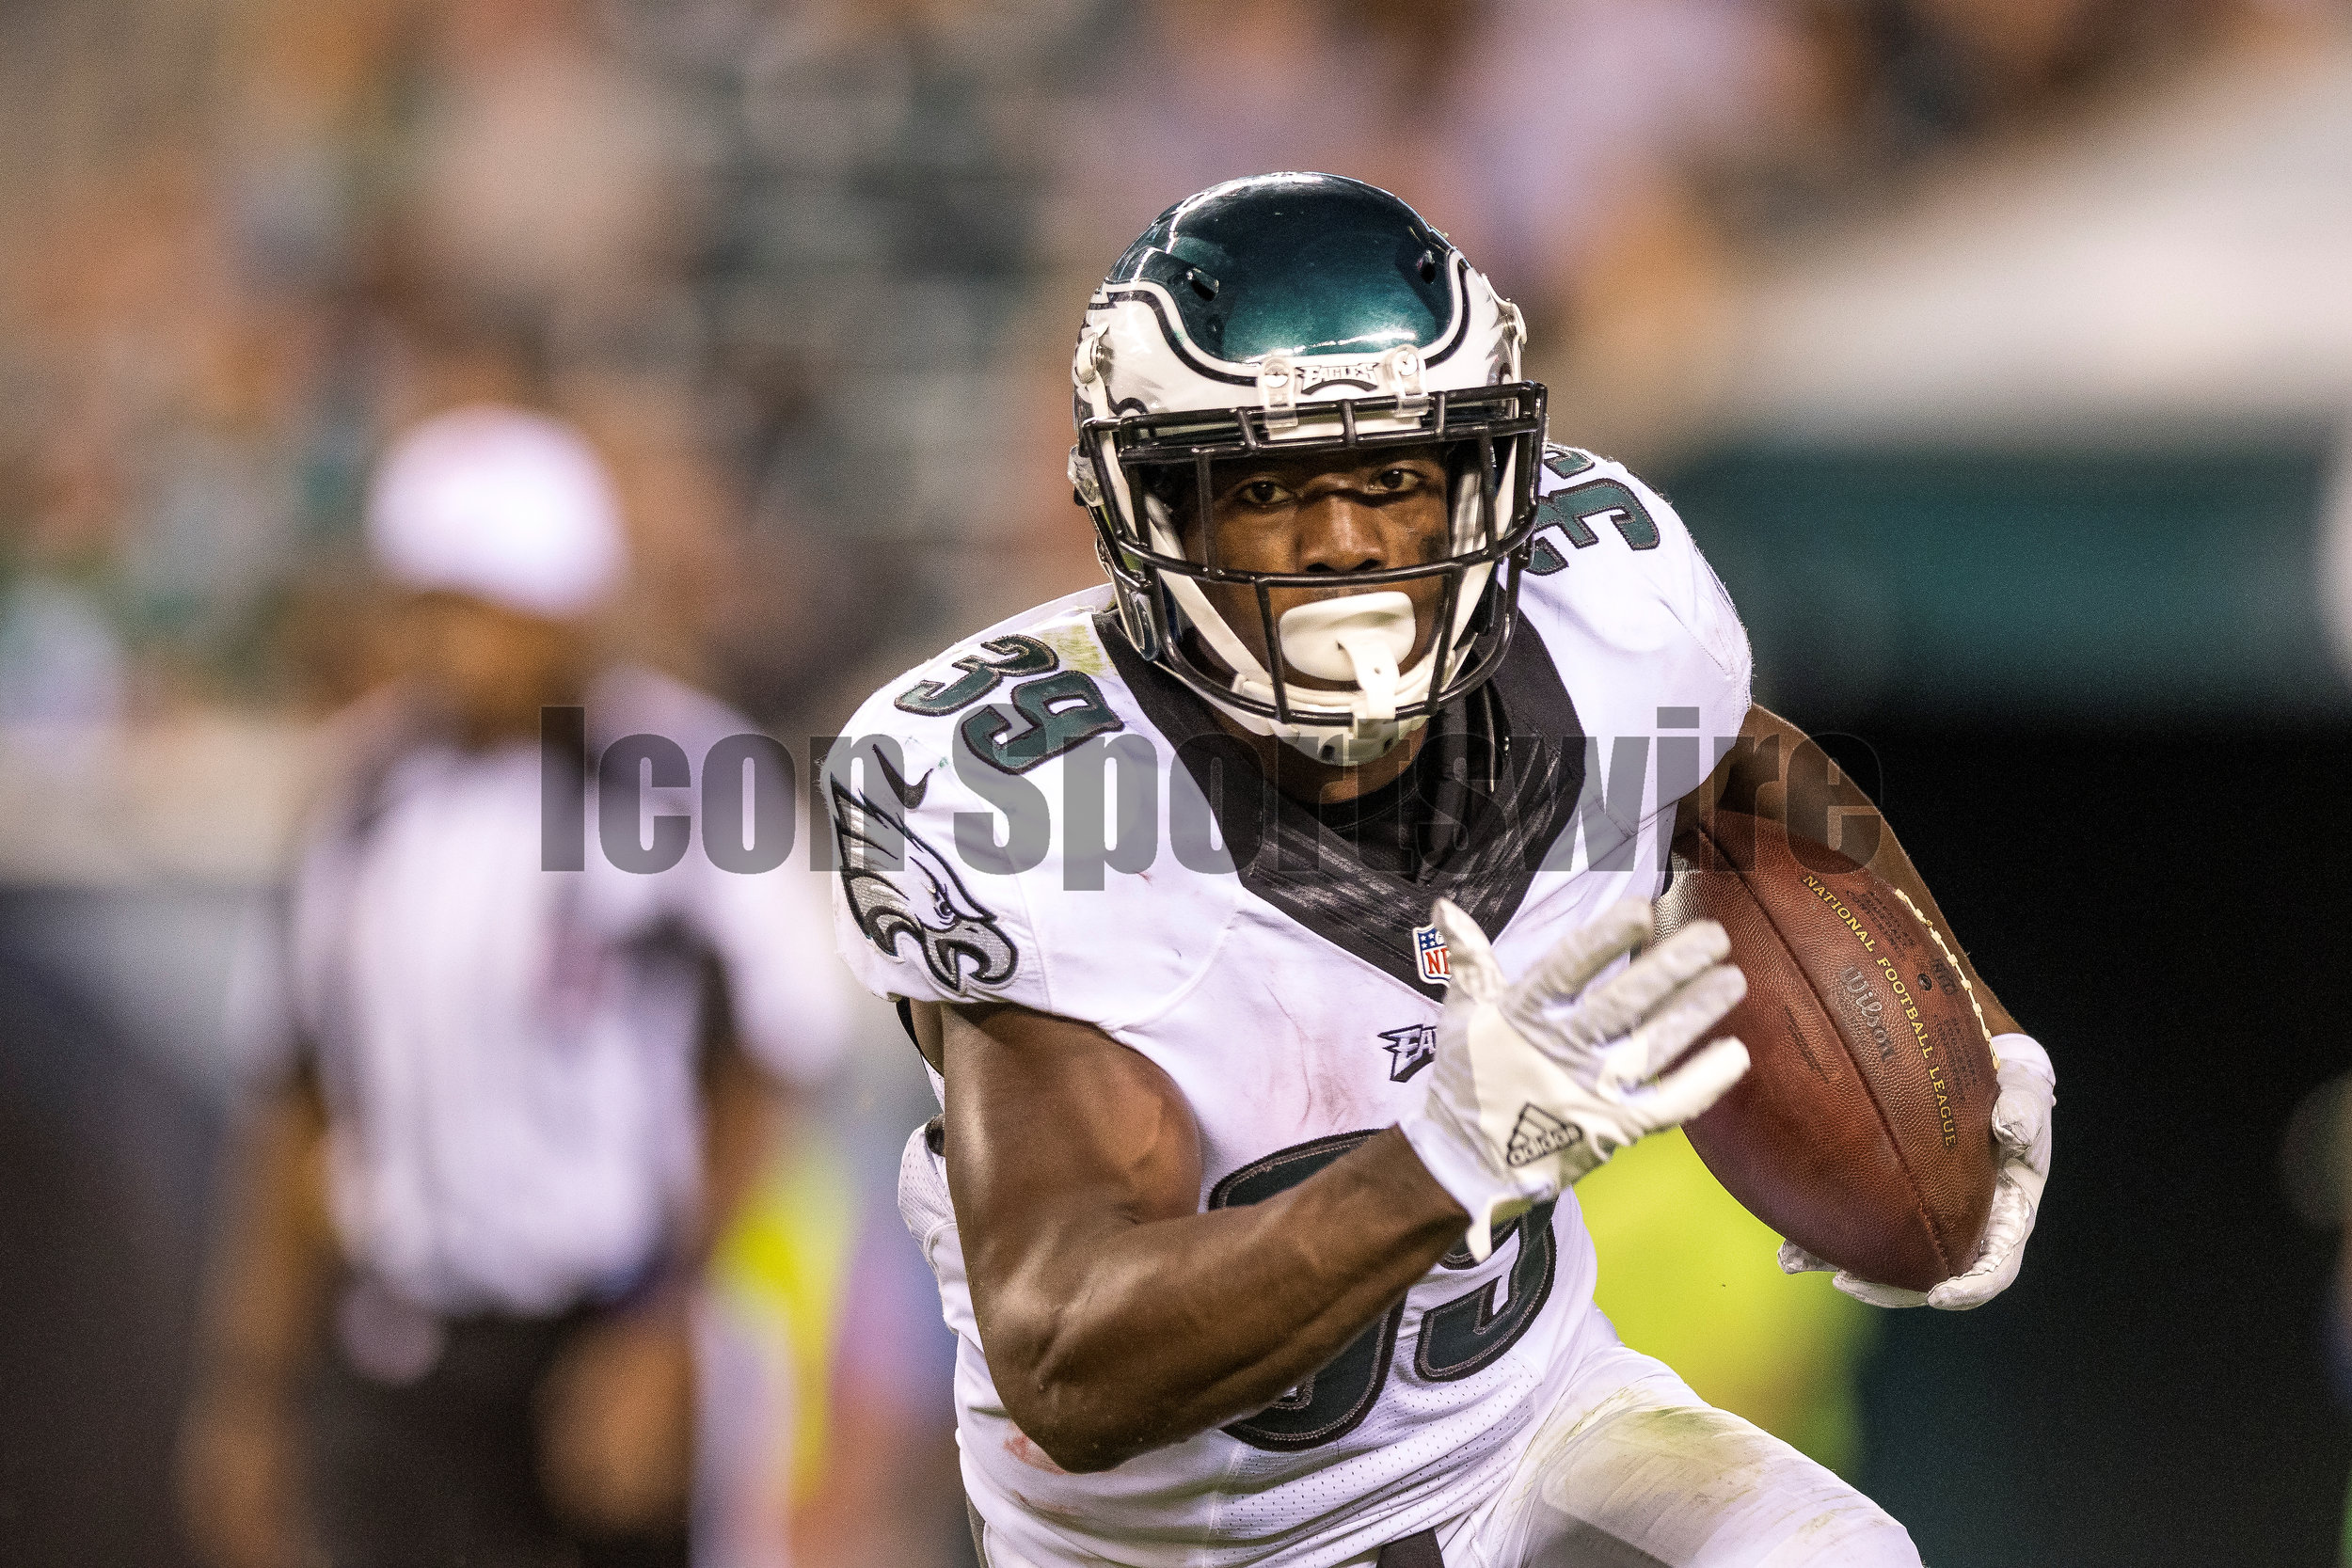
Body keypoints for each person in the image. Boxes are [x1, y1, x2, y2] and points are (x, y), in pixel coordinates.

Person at [823, 174, 2058, 1567]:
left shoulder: (1608, 615)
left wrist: (1975, 1017)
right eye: (1271, 484)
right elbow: (1068, 1350)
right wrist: (1443, 1163)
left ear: (1488, 478)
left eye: (1395, 477)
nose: (1343, 539)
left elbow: (1739, 760)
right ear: (1150, 507)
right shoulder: (1037, 801)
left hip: (1527, 1441)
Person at [181, 405, 849, 1568]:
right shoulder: (362, 792)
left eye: (490, 604)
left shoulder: (680, 772)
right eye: (433, 603)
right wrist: (250, 1386)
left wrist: (666, 1319)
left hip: (599, 1324)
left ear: (569, 606)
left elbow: (779, 1053)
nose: (457, 642)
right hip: (398, 1335)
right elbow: (294, 1098)